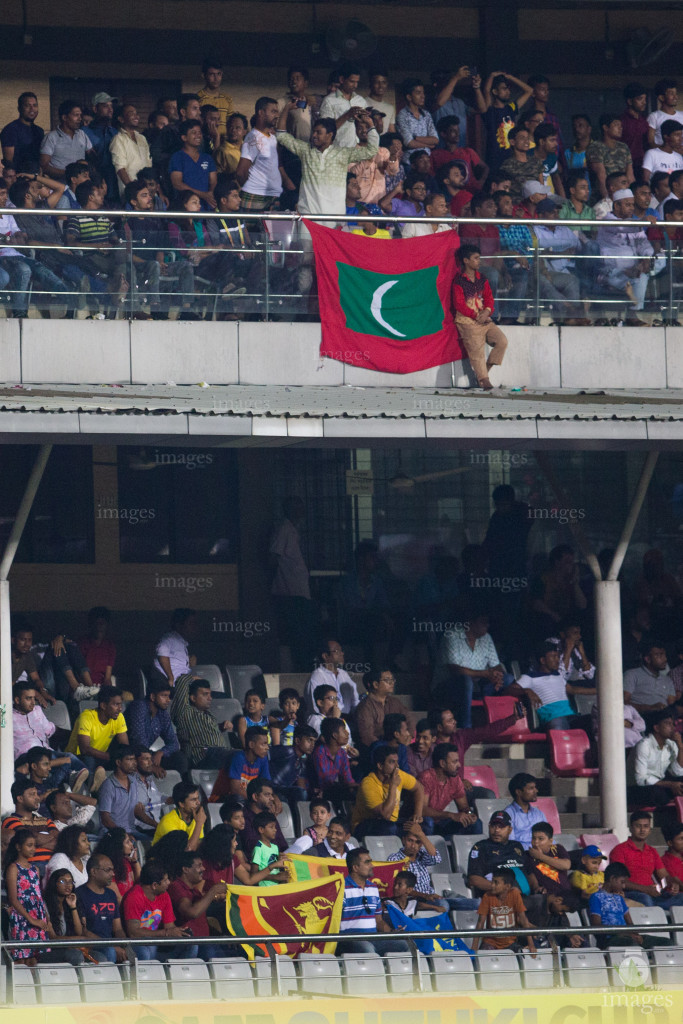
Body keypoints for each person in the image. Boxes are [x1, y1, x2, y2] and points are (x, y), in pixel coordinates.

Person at [432, 607, 511, 722]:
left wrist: (498, 676)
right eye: (483, 622)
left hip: (478, 688)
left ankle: (493, 721)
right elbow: (455, 670)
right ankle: (466, 725)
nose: (487, 625)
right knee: (466, 681)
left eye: (487, 622)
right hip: (447, 688)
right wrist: (485, 674)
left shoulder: (486, 638)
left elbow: (496, 665)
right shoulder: (452, 635)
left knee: (507, 678)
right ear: (470, 622)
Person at [269, 497, 313, 671]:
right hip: (289, 590)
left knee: (302, 632)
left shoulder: (293, 530)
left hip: (298, 590)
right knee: (295, 633)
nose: (301, 511)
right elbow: (274, 556)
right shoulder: (284, 530)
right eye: (298, 507)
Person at [508, 642, 594, 729]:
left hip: (571, 718)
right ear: (543, 660)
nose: (557, 660)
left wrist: (600, 691)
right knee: (560, 723)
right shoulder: (530, 677)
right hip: (553, 719)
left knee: (596, 720)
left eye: (557, 656)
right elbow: (508, 690)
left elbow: (572, 689)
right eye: (553, 656)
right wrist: (526, 691)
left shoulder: (557, 675)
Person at [340, 847, 408, 954]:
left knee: (403, 945)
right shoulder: (341, 888)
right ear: (355, 868)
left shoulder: (373, 888)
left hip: (373, 939)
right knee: (367, 949)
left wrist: (392, 932)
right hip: (349, 940)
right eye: (367, 863)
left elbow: (378, 920)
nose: (372, 865)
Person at [611, 810, 683, 909]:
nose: (642, 830)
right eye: (638, 826)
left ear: (649, 830)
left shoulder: (652, 851)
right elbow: (620, 881)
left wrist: (672, 884)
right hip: (631, 893)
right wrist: (646, 889)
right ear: (631, 828)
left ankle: (659, 909)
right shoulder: (619, 850)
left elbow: (664, 876)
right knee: (646, 900)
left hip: (653, 893)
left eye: (646, 826)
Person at [351, 745, 425, 841]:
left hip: (392, 823)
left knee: (424, 824)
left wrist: (417, 815)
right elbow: (385, 815)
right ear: (380, 766)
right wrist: (393, 785)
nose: (396, 766)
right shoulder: (368, 784)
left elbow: (419, 788)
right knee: (389, 827)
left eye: (396, 762)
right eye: (391, 762)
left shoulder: (398, 774)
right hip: (364, 826)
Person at [121, 861, 192, 960]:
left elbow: (169, 926)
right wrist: (166, 933)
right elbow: (133, 933)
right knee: (148, 946)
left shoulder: (164, 895)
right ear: (154, 885)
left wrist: (179, 932)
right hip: (136, 945)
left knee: (191, 944)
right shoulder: (134, 897)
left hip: (157, 943)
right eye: (165, 880)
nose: (169, 883)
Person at [5, 828, 55, 962]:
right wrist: (31, 919)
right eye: (29, 845)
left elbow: (38, 896)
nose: (33, 849)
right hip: (22, 917)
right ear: (18, 847)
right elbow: (13, 899)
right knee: (21, 959)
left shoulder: (35, 869)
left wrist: (46, 917)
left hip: (38, 915)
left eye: (34, 845)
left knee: (34, 959)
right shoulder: (13, 868)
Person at [125, 677, 188, 776]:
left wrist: (161, 752)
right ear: (153, 697)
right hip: (131, 755)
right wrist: (151, 765)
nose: (168, 700)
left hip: (148, 755)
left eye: (168, 696)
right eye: (164, 696)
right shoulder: (139, 707)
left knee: (179, 758)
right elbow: (138, 742)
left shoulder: (162, 713)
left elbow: (174, 743)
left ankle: (186, 789)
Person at [65, 685, 129, 785]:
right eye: (116, 704)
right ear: (103, 706)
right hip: (77, 758)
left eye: (121, 704)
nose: (120, 709)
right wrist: (110, 756)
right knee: (89, 759)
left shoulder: (119, 717)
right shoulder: (86, 717)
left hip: (100, 758)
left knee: (125, 759)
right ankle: (91, 790)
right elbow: (84, 749)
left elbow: (124, 744)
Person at [169, 852, 227, 957]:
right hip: (191, 946)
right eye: (199, 865)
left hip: (205, 943)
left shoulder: (194, 891)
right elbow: (191, 913)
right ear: (185, 869)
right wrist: (213, 891)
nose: (203, 869)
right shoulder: (176, 887)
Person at [419, 742, 481, 836]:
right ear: (442, 763)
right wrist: (450, 815)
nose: (459, 765)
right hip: (419, 822)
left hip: (440, 822)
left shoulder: (455, 779)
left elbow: (464, 807)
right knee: (428, 822)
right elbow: (422, 810)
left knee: (475, 823)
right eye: (454, 762)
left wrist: (469, 814)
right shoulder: (426, 778)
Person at [467, 810, 531, 900]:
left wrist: (536, 888)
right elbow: (474, 879)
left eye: (501, 827)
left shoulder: (517, 846)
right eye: (493, 826)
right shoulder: (481, 847)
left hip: (525, 896)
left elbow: (529, 872)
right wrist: (502, 889)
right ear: (489, 827)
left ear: (510, 829)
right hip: (499, 898)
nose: (496, 830)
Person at [98, 742, 157, 839]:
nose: (134, 763)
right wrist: (124, 835)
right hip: (113, 834)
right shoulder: (109, 786)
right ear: (118, 762)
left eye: (134, 759)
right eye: (129, 759)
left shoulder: (133, 781)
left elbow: (137, 812)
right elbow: (105, 819)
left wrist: (157, 825)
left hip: (131, 831)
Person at [472, 867, 537, 955]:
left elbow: (523, 919)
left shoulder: (515, 894)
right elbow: (480, 923)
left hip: (510, 943)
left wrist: (531, 944)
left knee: (525, 955)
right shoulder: (487, 896)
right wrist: (474, 947)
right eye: (492, 881)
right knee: (484, 958)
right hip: (491, 942)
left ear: (507, 887)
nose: (492, 885)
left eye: (496, 883)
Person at [171, 676, 231, 770]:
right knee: (239, 756)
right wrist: (195, 678)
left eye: (210, 695)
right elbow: (182, 680)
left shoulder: (209, 715)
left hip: (219, 754)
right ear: (193, 698)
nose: (210, 698)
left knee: (249, 756)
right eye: (205, 694)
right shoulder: (185, 712)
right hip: (202, 757)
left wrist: (220, 727)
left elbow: (204, 731)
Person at [236, 97, 285, 211]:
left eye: (277, 111)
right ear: (261, 113)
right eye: (273, 111)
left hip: (272, 197)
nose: (277, 115)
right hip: (256, 198)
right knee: (252, 229)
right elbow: (241, 172)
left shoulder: (272, 138)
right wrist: (252, 187)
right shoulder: (253, 138)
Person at [627, 708, 683, 808]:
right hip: (636, 788)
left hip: (660, 784)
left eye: (673, 724)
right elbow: (640, 780)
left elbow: (677, 772)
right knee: (657, 793)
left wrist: (681, 747)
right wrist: (670, 784)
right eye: (667, 724)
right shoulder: (644, 745)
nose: (672, 728)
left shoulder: (671, 744)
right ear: (656, 728)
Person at [589, 862, 653, 950]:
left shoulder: (619, 898)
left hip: (627, 936)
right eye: (622, 882)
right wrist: (624, 934)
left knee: (665, 942)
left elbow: (629, 923)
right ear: (612, 879)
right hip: (610, 939)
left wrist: (636, 935)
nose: (623, 886)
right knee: (631, 943)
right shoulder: (596, 897)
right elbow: (596, 926)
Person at [77, 853, 127, 963]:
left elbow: (118, 928)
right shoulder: (79, 894)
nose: (113, 874)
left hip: (109, 944)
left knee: (136, 950)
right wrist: (111, 946)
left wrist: (125, 945)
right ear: (93, 872)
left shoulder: (111, 895)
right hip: (90, 945)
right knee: (110, 951)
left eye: (112, 870)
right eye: (108, 870)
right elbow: (83, 931)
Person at [481, 72, 533, 172]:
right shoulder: (490, 110)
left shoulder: (511, 108)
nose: (508, 91)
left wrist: (511, 77)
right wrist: (491, 75)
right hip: (494, 159)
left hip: (512, 157)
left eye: (508, 88)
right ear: (495, 91)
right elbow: (486, 91)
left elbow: (529, 91)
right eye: (504, 89)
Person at [2, 778, 58, 863]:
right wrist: (49, 838)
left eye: (37, 794)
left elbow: (60, 841)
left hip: (54, 866)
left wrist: (36, 841)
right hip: (29, 868)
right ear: (20, 799)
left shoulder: (46, 820)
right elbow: (26, 839)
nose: (37, 798)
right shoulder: (11, 820)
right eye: (32, 794)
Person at [355, 667, 412, 751]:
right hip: (378, 752)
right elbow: (367, 736)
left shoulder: (395, 702)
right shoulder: (365, 707)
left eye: (392, 680)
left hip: (399, 746)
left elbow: (409, 720)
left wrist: (408, 737)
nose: (392, 683)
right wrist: (386, 749)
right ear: (376, 685)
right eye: (388, 680)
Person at [43, 868, 89, 964]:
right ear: (54, 883)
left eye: (70, 882)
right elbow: (52, 938)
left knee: (99, 957)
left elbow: (79, 932)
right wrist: (77, 941)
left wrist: (73, 906)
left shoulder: (70, 903)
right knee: (75, 955)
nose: (68, 885)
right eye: (63, 881)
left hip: (69, 947)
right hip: (50, 951)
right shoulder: (44, 905)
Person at [169, 120, 217, 210]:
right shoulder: (177, 157)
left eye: (199, 132)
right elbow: (177, 184)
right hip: (185, 206)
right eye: (193, 133)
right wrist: (202, 194)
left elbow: (213, 181)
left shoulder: (207, 158)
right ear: (184, 138)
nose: (198, 135)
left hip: (205, 206)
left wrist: (209, 194)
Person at [304, 639, 360, 717]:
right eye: (337, 651)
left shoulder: (344, 674)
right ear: (325, 656)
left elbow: (355, 702)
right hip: (327, 722)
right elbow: (315, 709)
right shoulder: (316, 677)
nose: (342, 653)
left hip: (348, 719)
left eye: (341, 650)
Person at [40, 100, 94, 179]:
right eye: (76, 115)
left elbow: (92, 155)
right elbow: (43, 166)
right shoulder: (51, 137)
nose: (80, 119)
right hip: (60, 186)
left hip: (80, 185)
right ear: (64, 117)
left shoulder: (82, 134)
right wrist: (68, 174)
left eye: (80, 115)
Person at [318, 62, 367, 149]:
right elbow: (324, 131)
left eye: (357, 82)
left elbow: (366, 126)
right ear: (341, 79)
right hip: (336, 152)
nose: (355, 85)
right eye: (352, 81)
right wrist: (348, 115)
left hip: (356, 152)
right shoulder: (329, 101)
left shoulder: (360, 100)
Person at [586, 116, 634, 201]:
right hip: (602, 196)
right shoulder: (596, 147)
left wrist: (632, 195)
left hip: (623, 194)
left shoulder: (623, 147)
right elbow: (601, 176)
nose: (620, 128)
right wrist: (608, 201)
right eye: (616, 125)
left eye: (621, 125)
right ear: (605, 128)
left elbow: (630, 175)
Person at [623, 641, 677, 713]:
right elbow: (623, 703)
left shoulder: (667, 680)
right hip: (640, 717)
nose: (665, 659)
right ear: (647, 659)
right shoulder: (632, 675)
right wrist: (649, 708)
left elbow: (671, 705)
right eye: (659, 655)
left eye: (664, 655)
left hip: (662, 718)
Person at [270, 724, 317, 803]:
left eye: (314, 742)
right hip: (271, 787)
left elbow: (301, 787)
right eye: (309, 740)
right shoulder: (287, 751)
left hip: (284, 790)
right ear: (297, 741)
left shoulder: (302, 763)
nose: (312, 745)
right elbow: (264, 756)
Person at [240, 779, 288, 857]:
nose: (272, 798)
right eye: (267, 795)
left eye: (271, 795)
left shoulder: (269, 815)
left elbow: (282, 843)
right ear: (255, 797)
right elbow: (251, 846)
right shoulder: (243, 817)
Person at [152, 781, 206, 850]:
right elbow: (185, 852)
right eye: (193, 800)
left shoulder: (196, 817)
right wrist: (199, 824)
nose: (198, 802)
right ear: (181, 804)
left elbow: (198, 846)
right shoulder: (168, 822)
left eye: (198, 798)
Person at [92, 828, 140, 901]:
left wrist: (135, 861)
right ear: (118, 846)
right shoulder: (107, 867)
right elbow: (117, 898)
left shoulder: (126, 861)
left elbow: (140, 884)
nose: (131, 844)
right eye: (127, 842)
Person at [499, 126, 544, 204]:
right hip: (519, 205)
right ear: (512, 142)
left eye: (527, 138)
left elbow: (542, 186)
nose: (526, 141)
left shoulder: (536, 162)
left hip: (537, 203)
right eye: (522, 138)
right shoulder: (507, 165)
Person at [154, 607, 198, 685]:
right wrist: (170, 677)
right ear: (178, 625)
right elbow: (162, 653)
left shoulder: (182, 643)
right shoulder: (169, 638)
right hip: (176, 685)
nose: (194, 627)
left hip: (184, 682)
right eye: (191, 623)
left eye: (195, 623)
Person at [1, 92, 44, 167]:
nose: (32, 109)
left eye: (35, 105)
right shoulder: (10, 130)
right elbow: (8, 162)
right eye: (27, 105)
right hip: (19, 176)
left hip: (37, 176)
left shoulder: (39, 131)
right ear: (19, 108)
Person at [503, 773, 546, 849]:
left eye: (535, 787)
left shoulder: (538, 813)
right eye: (531, 788)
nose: (536, 791)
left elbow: (547, 837)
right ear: (518, 792)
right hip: (523, 855)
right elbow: (511, 844)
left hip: (543, 853)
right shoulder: (508, 814)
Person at [77, 607, 116, 690]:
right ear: (91, 624)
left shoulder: (109, 645)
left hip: (101, 686)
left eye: (103, 623)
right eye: (97, 623)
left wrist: (106, 688)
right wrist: (91, 688)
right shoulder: (83, 643)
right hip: (84, 686)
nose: (100, 627)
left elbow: (108, 676)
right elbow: (80, 669)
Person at [250, 812, 289, 886]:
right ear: (261, 829)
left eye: (275, 827)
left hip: (276, 888)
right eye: (271, 827)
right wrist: (274, 877)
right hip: (265, 889)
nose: (275, 830)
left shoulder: (275, 847)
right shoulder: (258, 849)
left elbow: (276, 869)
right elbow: (253, 876)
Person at [197, 58, 233, 133]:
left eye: (218, 74)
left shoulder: (227, 99)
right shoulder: (198, 98)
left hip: (224, 142)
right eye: (212, 74)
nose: (216, 78)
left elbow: (231, 123)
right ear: (204, 75)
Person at [620, 83, 649, 171]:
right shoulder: (621, 121)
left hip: (643, 165)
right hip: (625, 166)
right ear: (629, 101)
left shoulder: (644, 121)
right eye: (640, 99)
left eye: (645, 99)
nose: (644, 102)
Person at [647, 79, 683, 148]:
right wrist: (668, 151)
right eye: (671, 94)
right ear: (662, 97)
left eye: (676, 93)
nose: (675, 97)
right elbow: (651, 142)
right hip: (664, 157)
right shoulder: (654, 116)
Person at [367, 68, 396, 133]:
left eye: (384, 82)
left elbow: (392, 130)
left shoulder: (390, 108)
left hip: (385, 142)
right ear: (370, 84)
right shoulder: (362, 103)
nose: (381, 86)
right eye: (377, 82)